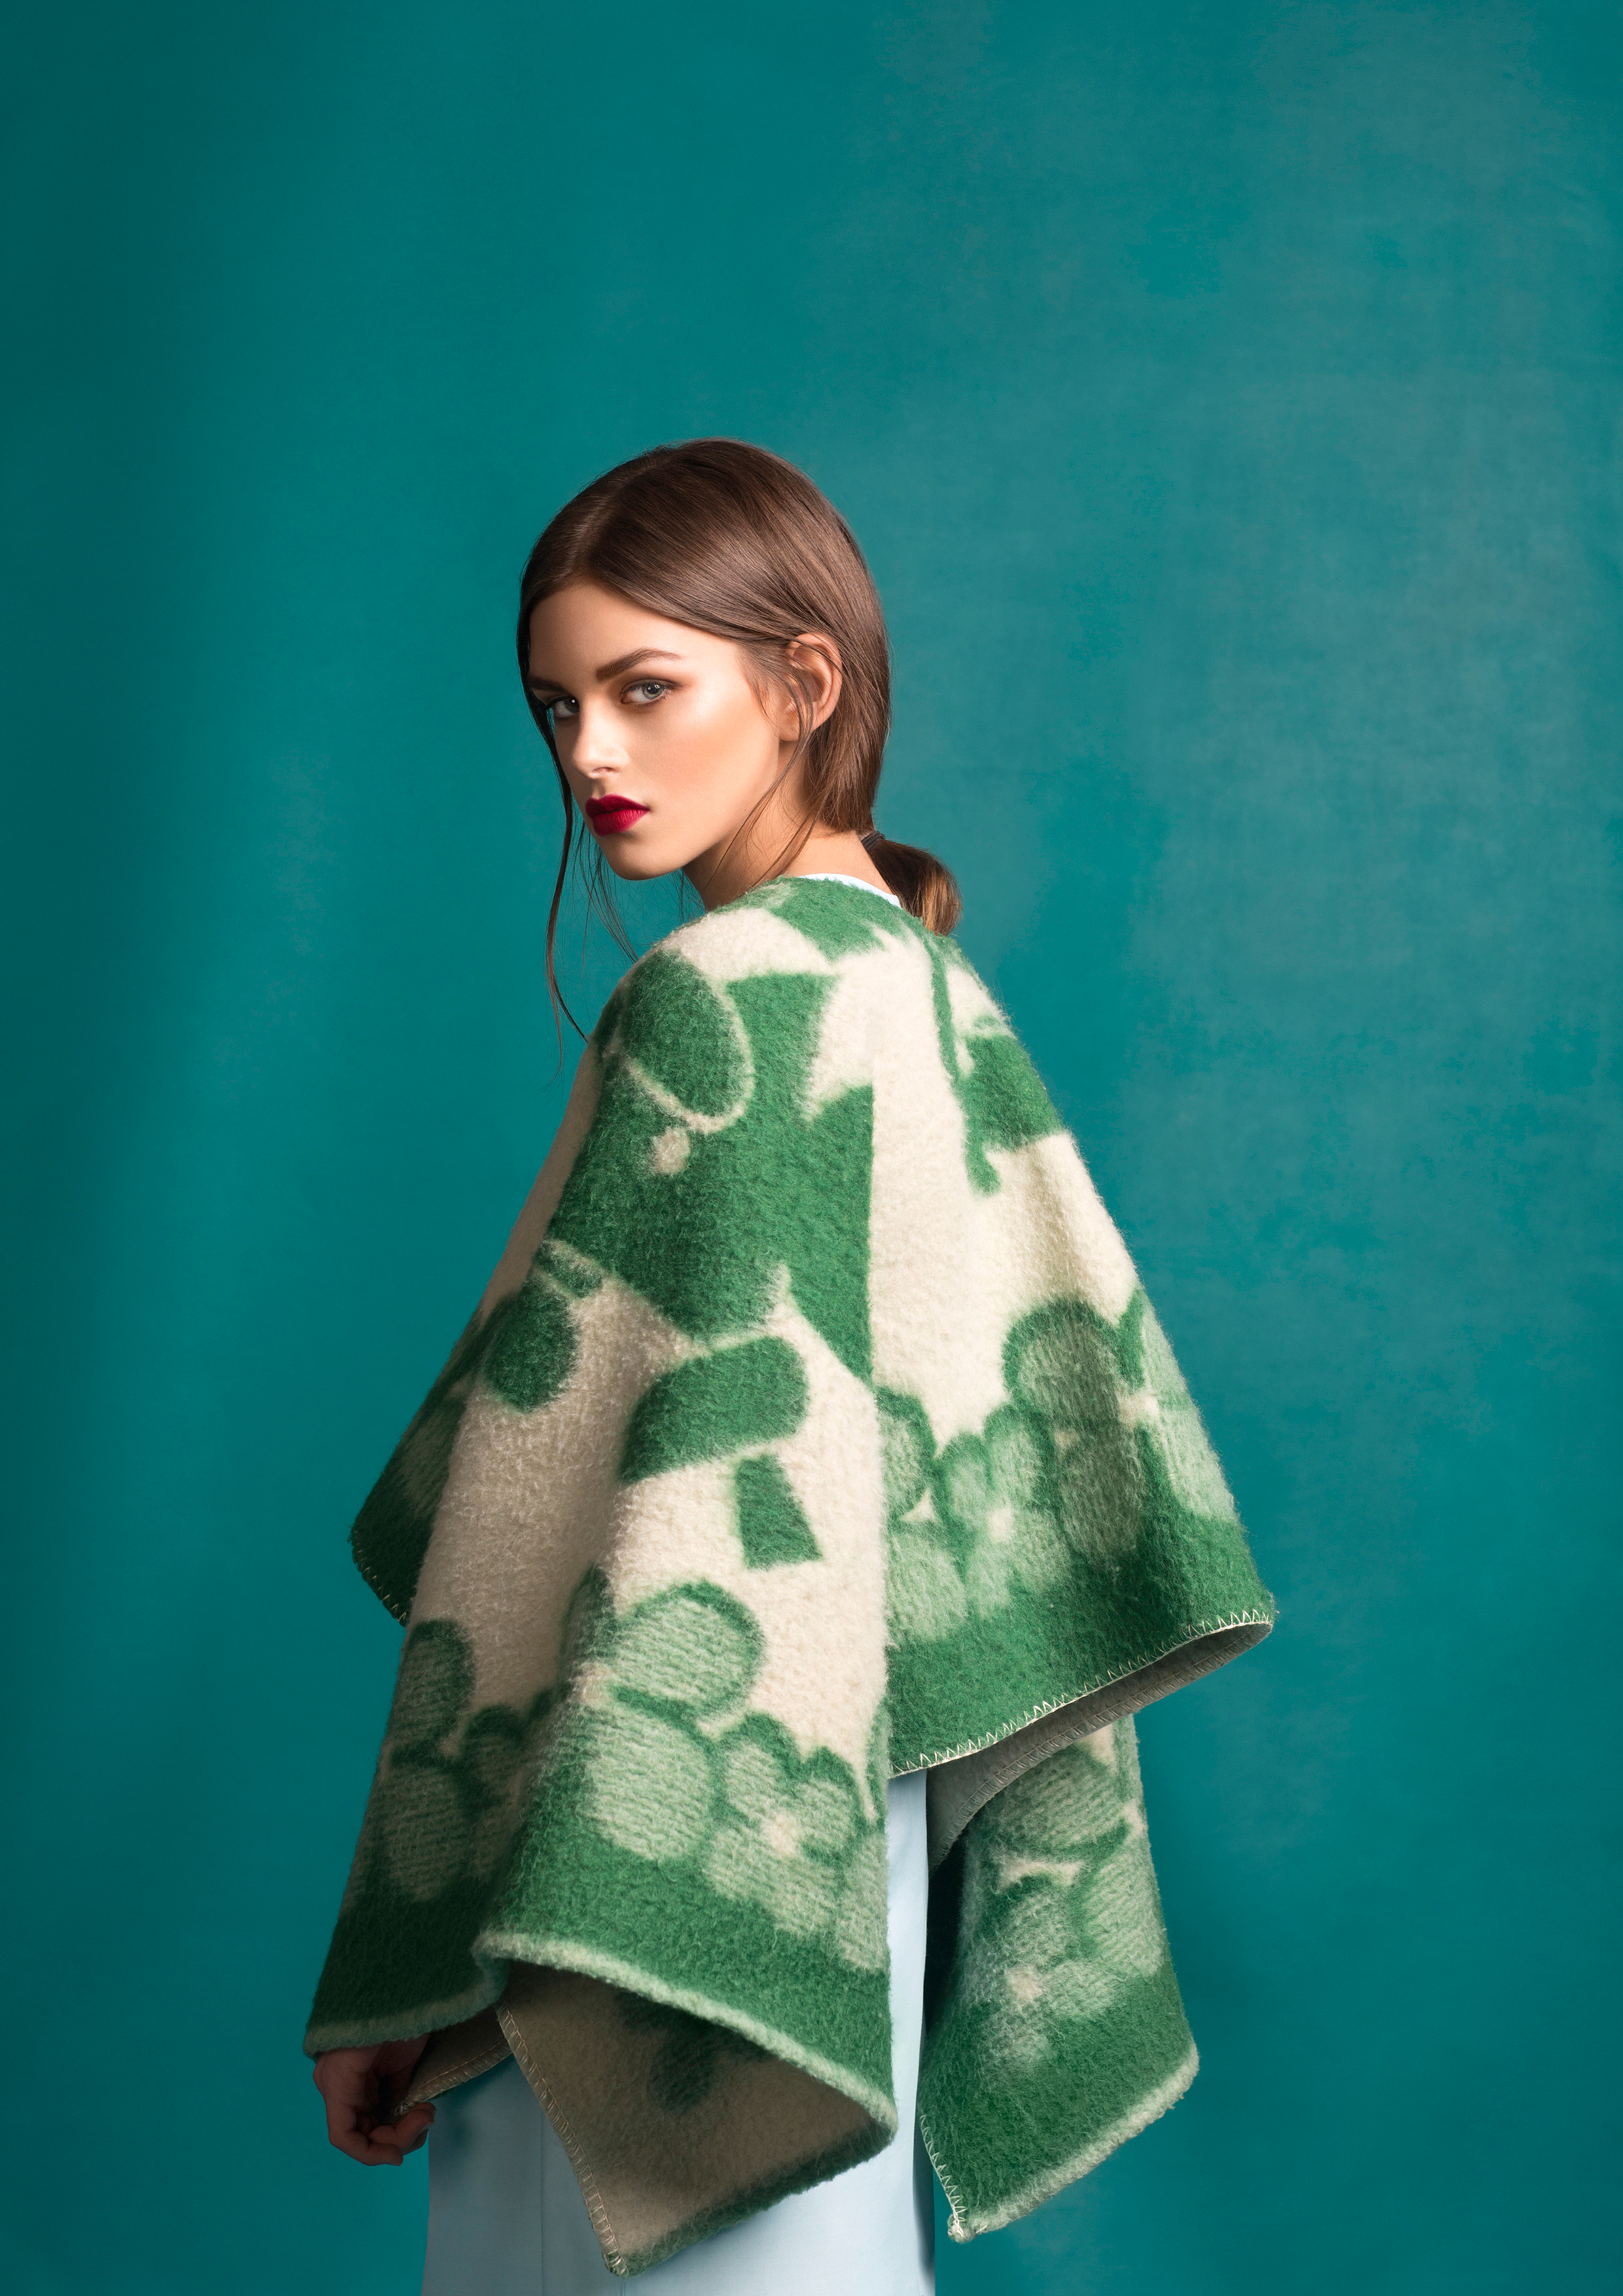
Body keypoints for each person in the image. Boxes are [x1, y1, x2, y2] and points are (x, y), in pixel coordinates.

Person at [307, 440, 1274, 2294]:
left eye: (644, 689)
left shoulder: (719, 997)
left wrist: (412, 1961)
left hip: (645, 1858)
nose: (591, 752)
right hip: (826, 1850)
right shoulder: (923, 987)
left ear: (803, 682)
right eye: (558, 706)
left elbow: (543, 1547)